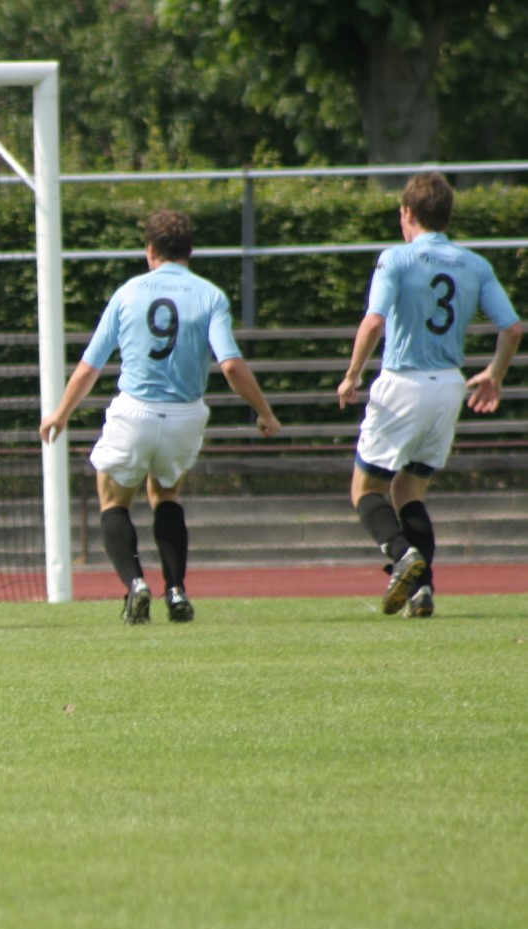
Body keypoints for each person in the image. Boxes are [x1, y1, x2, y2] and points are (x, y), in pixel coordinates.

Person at [39, 209, 281, 625]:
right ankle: (176, 590)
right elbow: (230, 365)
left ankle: (135, 583)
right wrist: (265, 413)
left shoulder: (128, 293)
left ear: (150, 249)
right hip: (185, 416)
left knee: (113, 501)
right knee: (166, 495)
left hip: (135, 412)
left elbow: (90, 366)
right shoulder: (210, 296)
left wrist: (61, 413)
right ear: (190, 251)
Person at [337, 171, 523, 618]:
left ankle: (402, 555)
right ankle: (421, 592)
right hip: (449, 387)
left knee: (365, 489)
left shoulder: (396, 259)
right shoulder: (475, 264)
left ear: (407, 213)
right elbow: (513, 327)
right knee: (410, 489)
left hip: (404, 382)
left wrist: (352, 374)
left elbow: (374, 321)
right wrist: (495, 373)